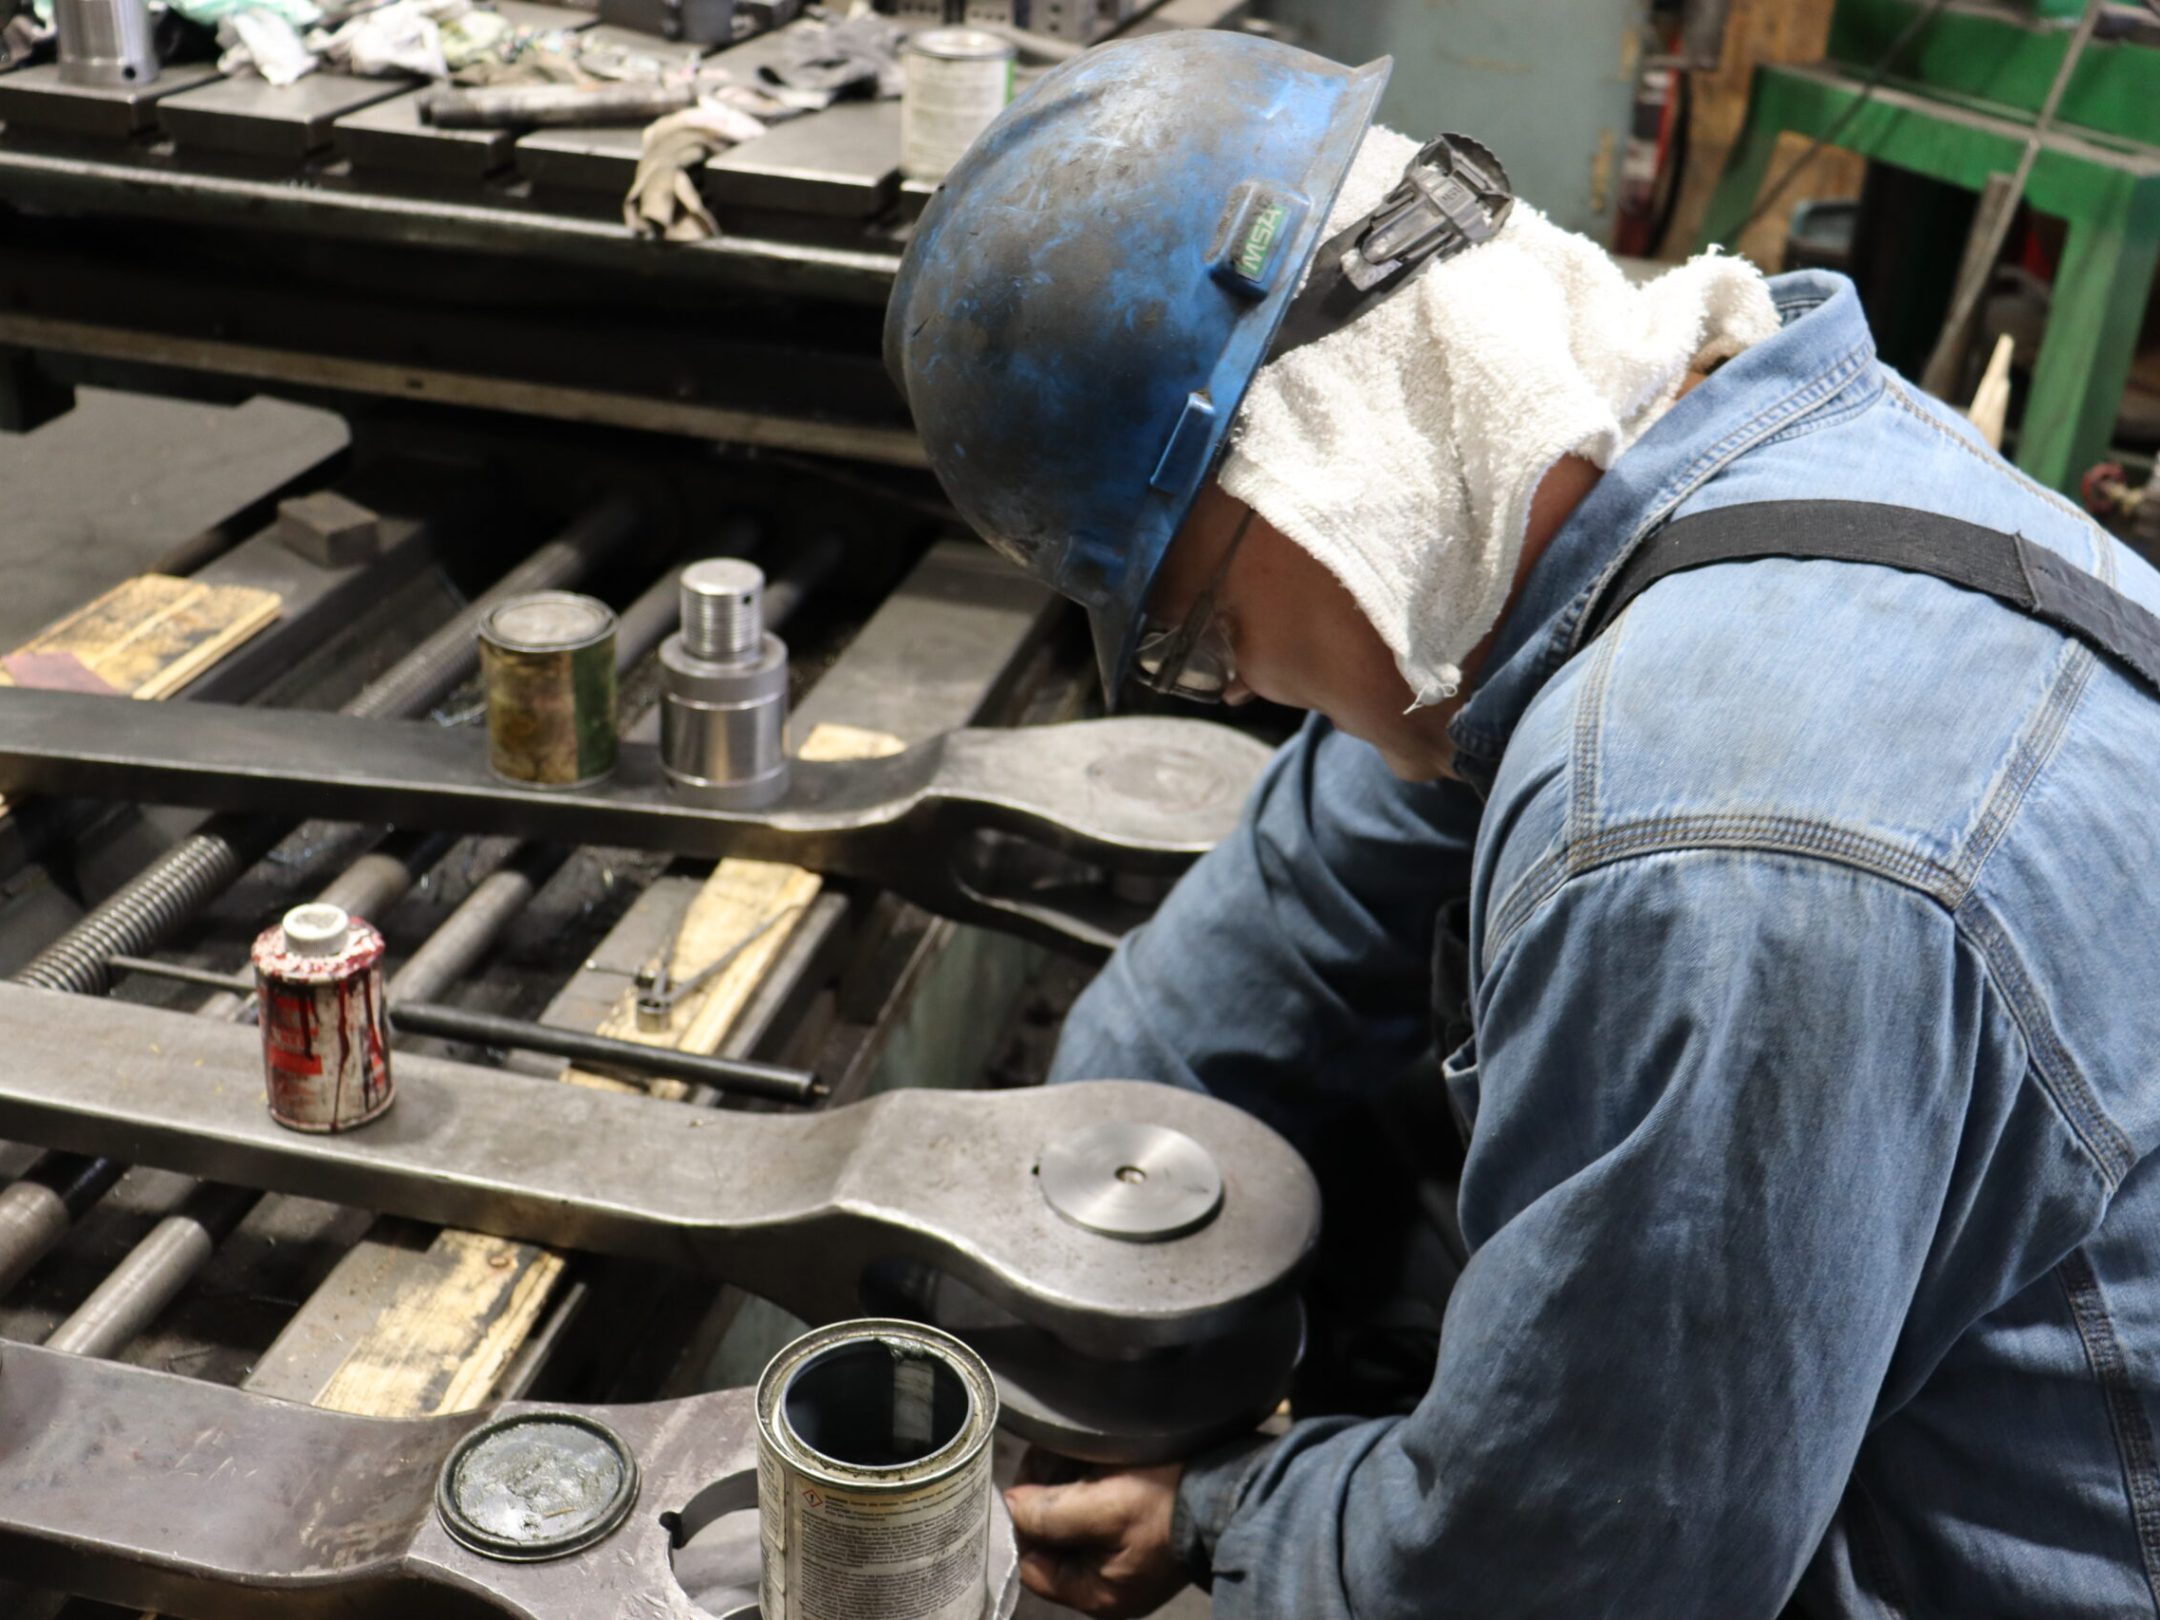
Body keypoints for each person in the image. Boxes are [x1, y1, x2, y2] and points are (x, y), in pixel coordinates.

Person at [885, 26, 2160, 1620]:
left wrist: (1225, 1513)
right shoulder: (1667, 458)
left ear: (1312, 479)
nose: (1244, 692)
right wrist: (1047, 1232)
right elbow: (1301, 905)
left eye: (1202, 633)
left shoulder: (1710, 854)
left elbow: (1577, 1572)